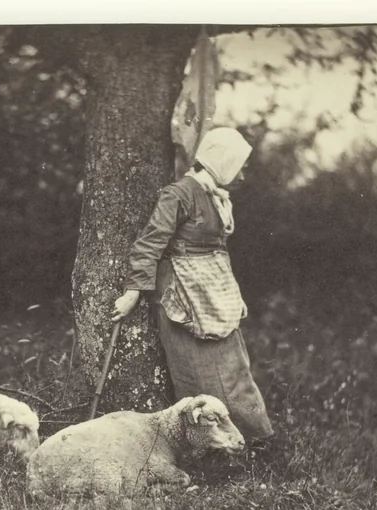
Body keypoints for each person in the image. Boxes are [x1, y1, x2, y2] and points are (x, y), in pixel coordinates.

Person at [111, 126, 275, 445]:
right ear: (220, 160)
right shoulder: (179, 194)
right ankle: (208, 447)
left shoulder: (216, 198)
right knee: (195, 374)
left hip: (215, 292)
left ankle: (252, 440)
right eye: (239, 165)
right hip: (182, 295)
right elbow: (149, 244)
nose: (242, 174)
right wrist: (133, 293)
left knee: (234, 369)